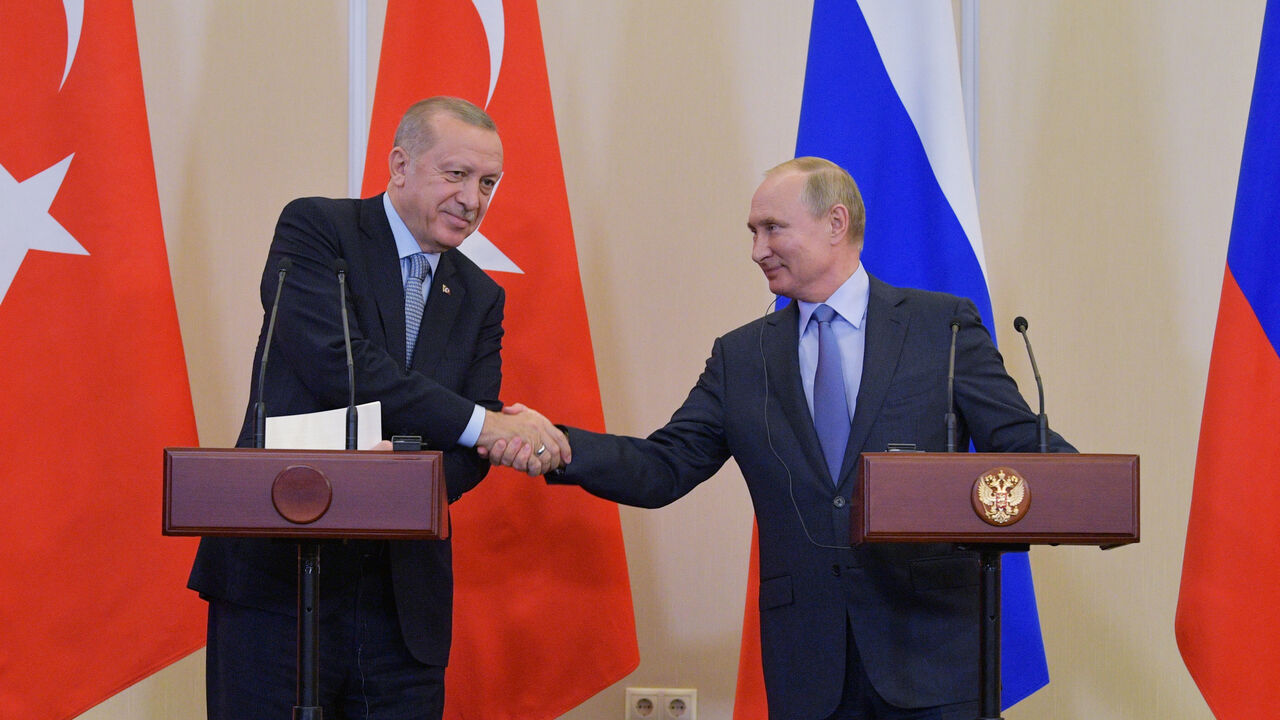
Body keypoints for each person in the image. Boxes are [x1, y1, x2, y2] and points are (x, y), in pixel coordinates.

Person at [489, 157, 1074, 720]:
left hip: (934, 655)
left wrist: (1086, 489)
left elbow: (1023, 442)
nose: (756, 250)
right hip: (810, 666)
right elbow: (662, 467)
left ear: (835, 223)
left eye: (772, 229)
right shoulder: (742, 356)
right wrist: (555, 445)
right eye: (752, 231)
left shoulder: (940, 327)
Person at [188, 96, 569, 720]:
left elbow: (470, 449)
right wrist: (486, 426)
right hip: (279, 581)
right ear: (399, 165)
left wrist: (400, 488)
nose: (472, 199)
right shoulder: (317, 230)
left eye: (488, 183)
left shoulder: (480, 295)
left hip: (401, 605)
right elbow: (339, 363)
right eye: (456, 175)